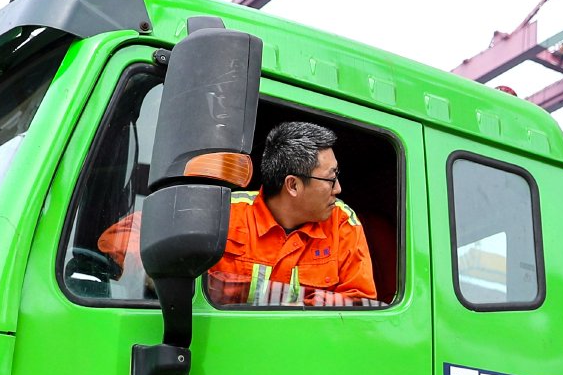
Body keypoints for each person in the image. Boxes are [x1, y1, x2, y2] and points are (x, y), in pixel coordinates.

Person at [100, 120, 376, 306]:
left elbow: (360, 305)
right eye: (330, 178)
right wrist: (157, 265)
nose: (338, 188)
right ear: (292, 185)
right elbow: (119, 237)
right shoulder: (222, 212)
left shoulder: (344, 226)